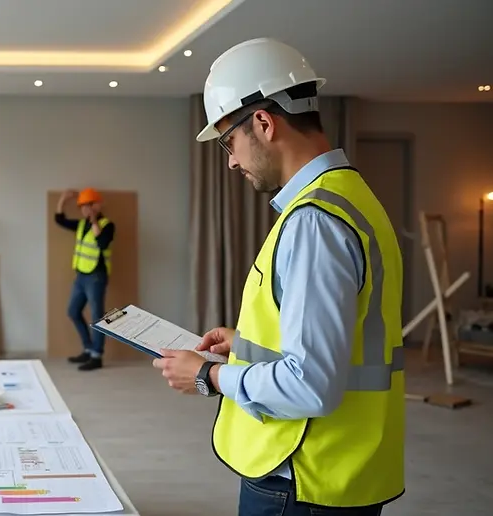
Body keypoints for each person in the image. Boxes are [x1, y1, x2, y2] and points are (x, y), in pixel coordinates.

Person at [152, 38, 405, 515]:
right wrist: (246, 345)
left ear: (264, 123)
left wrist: (208, 375)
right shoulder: (352, 197)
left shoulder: (313, 221)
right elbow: (343, 346)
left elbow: (310, 385)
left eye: (229, 141)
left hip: (302, 476)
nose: (229, 160)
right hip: (347, 468)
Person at [54, 188, 115, 371]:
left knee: (97, 317)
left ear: (97, 205)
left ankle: (96, 356)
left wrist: (94, 219)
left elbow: (102, 242)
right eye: (82, 206)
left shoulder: (107, 224)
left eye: (88, 205)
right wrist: (63, 200)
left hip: (96, 277)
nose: (84, 209)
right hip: (81, 276)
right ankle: (88, 349)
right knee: (73, 311)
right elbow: (60, 220)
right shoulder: (81, 225)